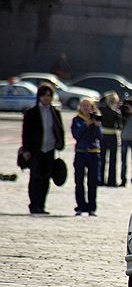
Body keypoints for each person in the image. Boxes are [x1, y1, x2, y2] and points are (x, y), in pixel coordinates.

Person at [22, 84, 65, 214]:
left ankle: (41, 205)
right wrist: (26, 150)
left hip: (50, 149)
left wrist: (59, 143)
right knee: (35, 177)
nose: (46, 98)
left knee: (46, 178)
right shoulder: (31, 112)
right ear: (39, 96)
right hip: (36, 150)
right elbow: (26, 133)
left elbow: (59, 130)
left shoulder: (55, 112)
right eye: (44, 95)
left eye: (49, 95)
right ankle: (33, 205)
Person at [71, 98, 102, 216]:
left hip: (94, 153)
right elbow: (76, 135)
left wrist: (96, 125)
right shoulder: (76, 120)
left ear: (92, 107)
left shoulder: (96, 119)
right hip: (80, 152)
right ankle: (80, 206)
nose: (85, 108)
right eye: (83, 105)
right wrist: (85, 125)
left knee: (92, 181)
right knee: (79, 180)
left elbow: (99, 137)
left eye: (88, 106)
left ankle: (91, 207)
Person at [98, 91, 122, 187]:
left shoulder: (102, 110)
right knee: (113, 160)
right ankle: (111, 181)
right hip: (112, 135)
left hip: (103, 134)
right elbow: (120, 126)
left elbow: (99, 103)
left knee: (102, 158)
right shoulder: (116, 112)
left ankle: (100, 179)